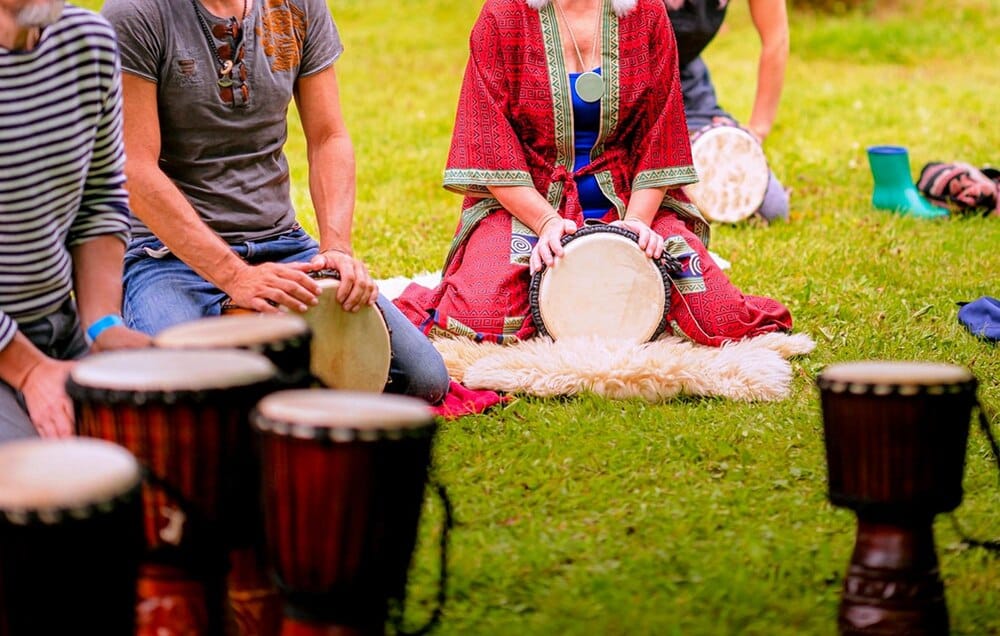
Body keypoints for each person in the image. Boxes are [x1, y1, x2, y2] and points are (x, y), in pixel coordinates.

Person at [101, 0, 450, 403]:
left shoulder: (298, 6)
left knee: (422, 379)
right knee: (189, 397)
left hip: (280, 243)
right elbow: (137, 171)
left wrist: (336, 246)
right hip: (165, 256)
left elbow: (328, 137)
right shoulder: (135, 14)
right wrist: (235, 277)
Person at [394, 0, 792, 346]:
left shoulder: (647, 14)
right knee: (480, 315)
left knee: (717, 316)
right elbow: (492, 148)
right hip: (527, 206)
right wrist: (547, 222)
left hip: (627, 199)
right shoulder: (503, 14)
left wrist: (636, 225)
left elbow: (660, 138)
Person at [0, 0, 152, 442]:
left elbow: (100, 198)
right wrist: (28, 370)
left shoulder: (89, 42)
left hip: (60, 325)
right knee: (47, 486)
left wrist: (103, 325)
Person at [666, 0, 790, 222]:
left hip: (689, 91)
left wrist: (758, 129)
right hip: (625, 86)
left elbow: (776, 39)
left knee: (770, 207)